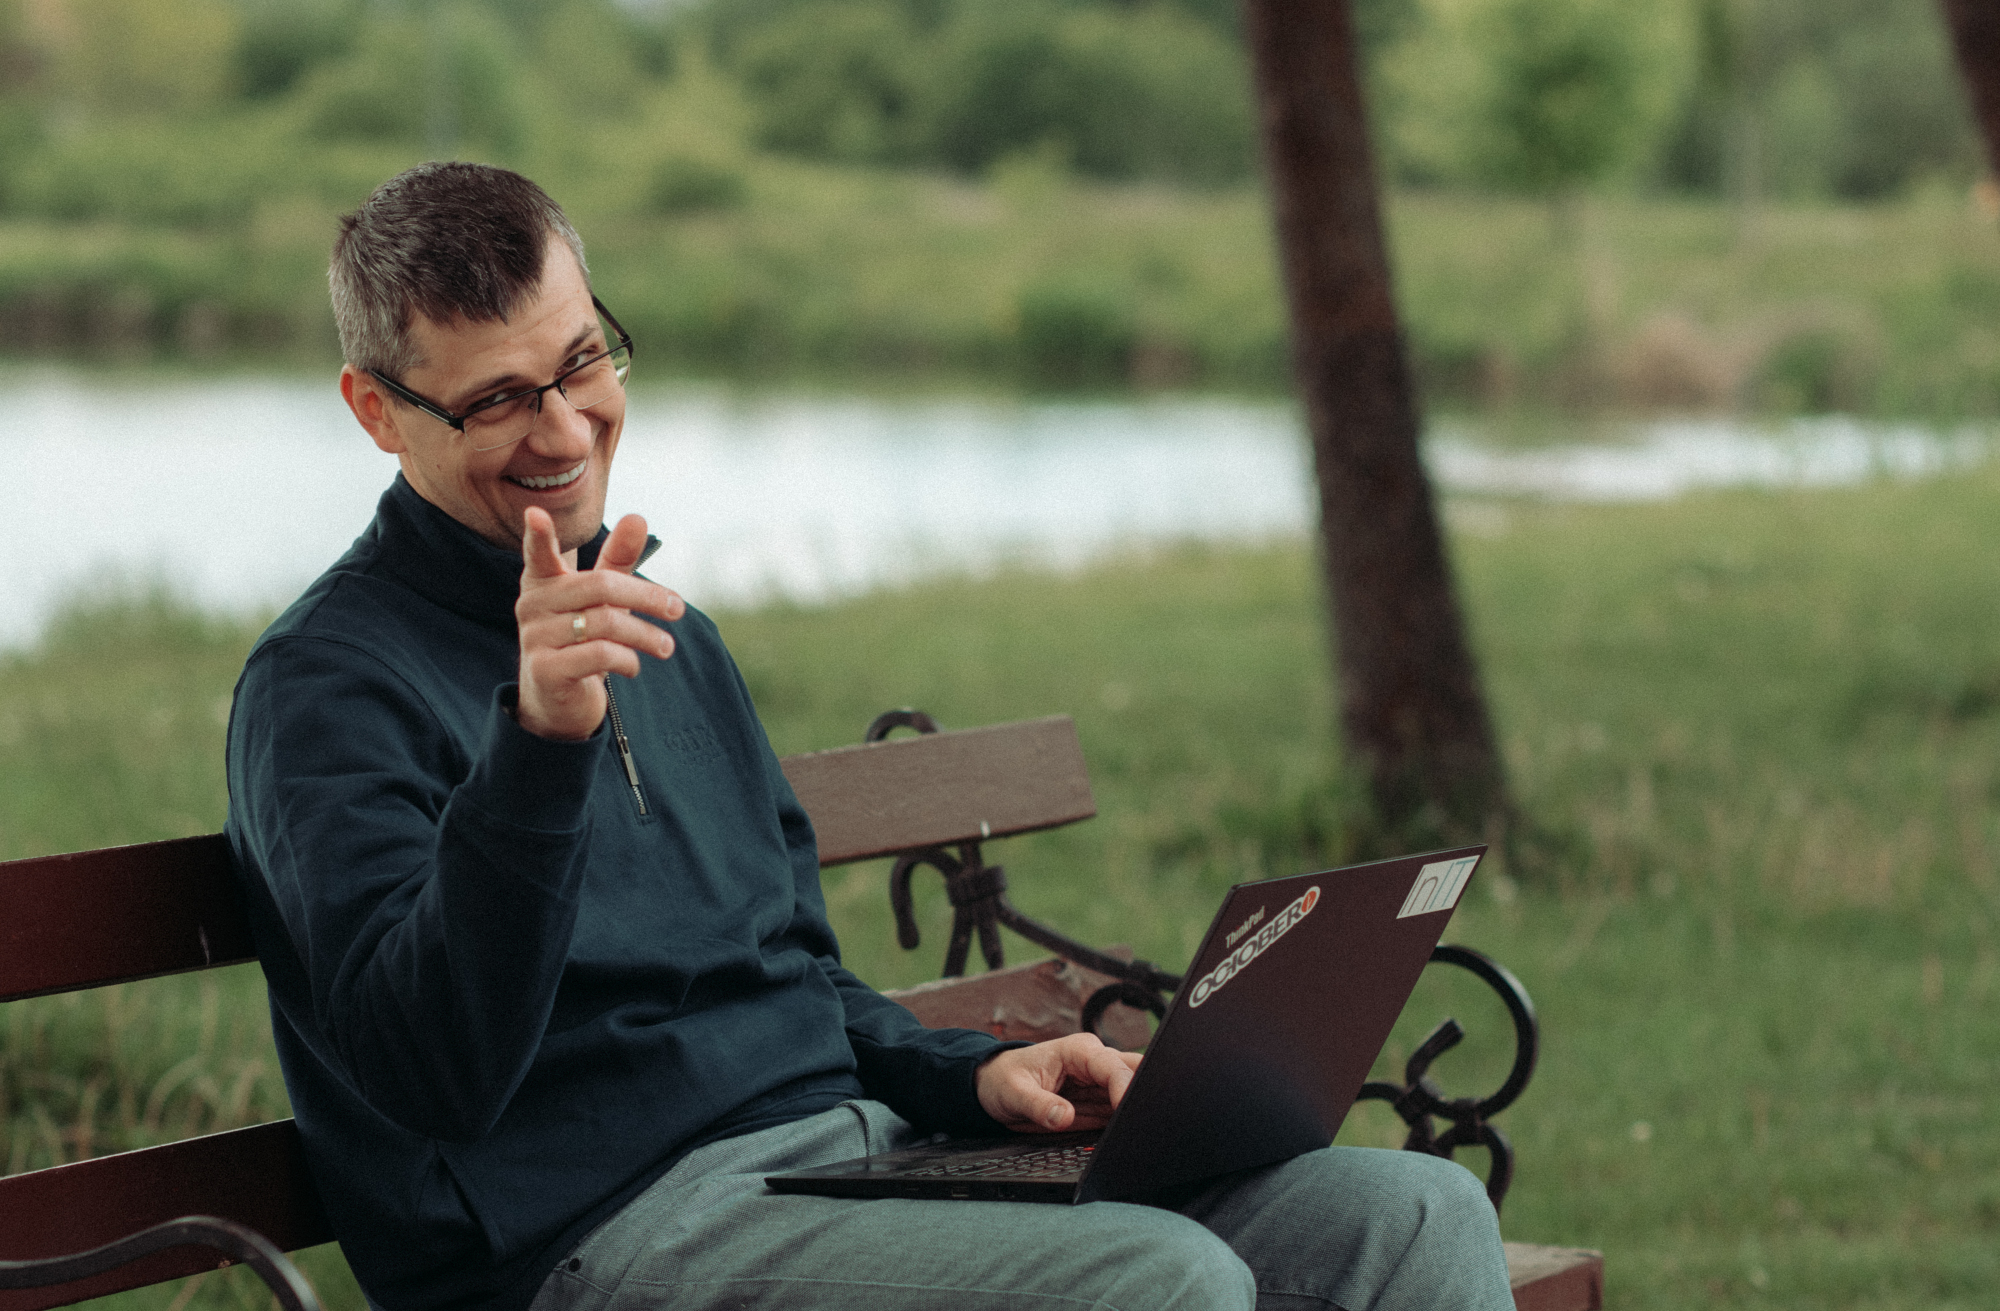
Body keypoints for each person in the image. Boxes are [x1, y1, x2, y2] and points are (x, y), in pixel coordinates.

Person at [225, 161, 1514, 1311]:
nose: (564, 430)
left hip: (854, 1164)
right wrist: (540, 745)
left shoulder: (672, 636)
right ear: (376, 410)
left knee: (1410, 1215)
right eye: (497, 400)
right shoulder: (325, 690)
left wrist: (968, 1080)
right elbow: (431, 1074)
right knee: (1155, 1283)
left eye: (579, 361)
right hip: (596, 1239)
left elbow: (792, 974)